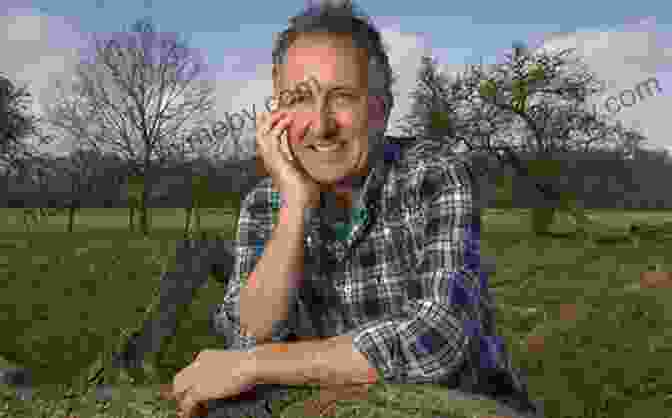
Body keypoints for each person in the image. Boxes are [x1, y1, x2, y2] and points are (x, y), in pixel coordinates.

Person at [167, 2, 544, 418]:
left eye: (342, 97)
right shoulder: (266, 201)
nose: (322, 124)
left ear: (381, 107)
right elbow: (246, 335)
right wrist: (295, 207)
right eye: (300, 99)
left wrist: (258, 365)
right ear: (277, 113)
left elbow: (436, 338)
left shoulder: (432, 175)